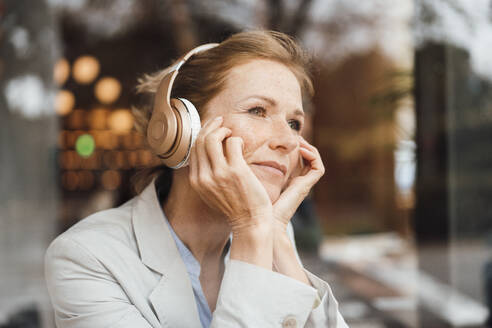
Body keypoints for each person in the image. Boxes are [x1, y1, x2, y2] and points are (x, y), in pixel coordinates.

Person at [45, 30, 348, 328]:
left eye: (294, 123)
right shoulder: (87, 257)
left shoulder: (270, 233)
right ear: (182, 129)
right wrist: (252, 230)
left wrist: (276, 238)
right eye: (257, 110)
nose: (289, 141)